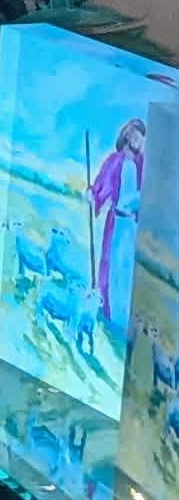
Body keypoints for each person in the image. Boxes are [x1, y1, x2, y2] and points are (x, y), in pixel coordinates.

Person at [92, 117, 148, 342]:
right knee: (112, 267)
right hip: (117, 223)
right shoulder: (115, 161)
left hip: (133, 226)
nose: (138, 140)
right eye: (135, 135)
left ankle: (126, 319)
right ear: (127, 135)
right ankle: (110, 315)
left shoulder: (141, 163)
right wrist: (93, 195)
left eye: (141, 137)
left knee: (128, 270)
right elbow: (102, 185)